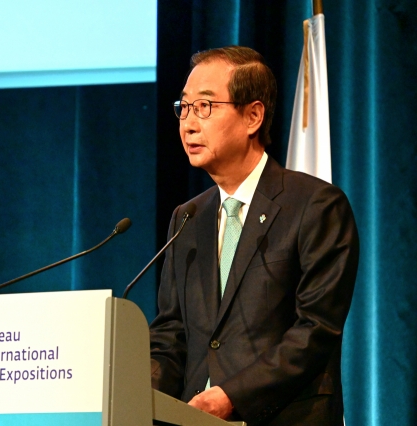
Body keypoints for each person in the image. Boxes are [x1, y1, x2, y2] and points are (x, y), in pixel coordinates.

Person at [149, 46, 360, 426]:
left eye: (205, 107)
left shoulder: (316, 206)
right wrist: (133, 396)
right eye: (184, 107)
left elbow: (316, 329)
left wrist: (233, 396)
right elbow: (170, 335)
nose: (188, 124)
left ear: (253, 116)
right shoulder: (188, 217)